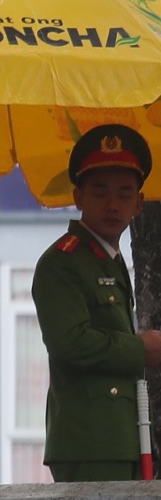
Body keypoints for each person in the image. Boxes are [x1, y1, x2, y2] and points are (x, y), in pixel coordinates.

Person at [34, 125, 161, 482]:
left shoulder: (108, 258)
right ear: (79, 196)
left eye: (124, 194)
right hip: (89, 442)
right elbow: (69, 342)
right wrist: (142, 349)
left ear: (138, 204)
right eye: (100, 192)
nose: (112, 204)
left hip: (121, 437)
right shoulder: (63, 262)